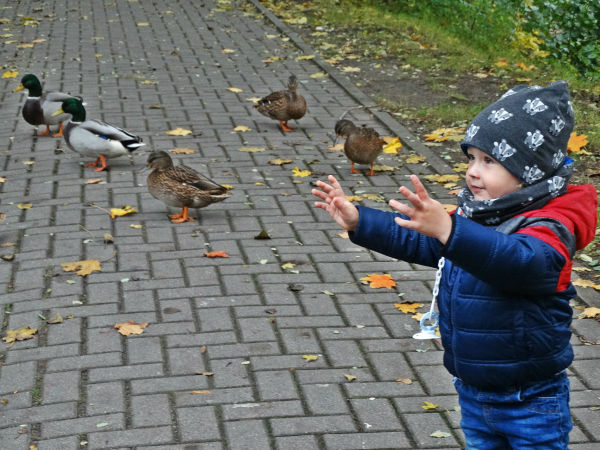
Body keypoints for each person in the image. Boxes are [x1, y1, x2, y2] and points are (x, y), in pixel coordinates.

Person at [312, 81, 597, 449]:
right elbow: (423, 240)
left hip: (530, 397)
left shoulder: (551, 223)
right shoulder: (481, 212)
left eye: (489, 161)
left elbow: (526, 264)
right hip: (474, 390)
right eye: (471, 158)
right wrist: (360, 222)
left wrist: (450, 229)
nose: (473, 172)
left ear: (530, 170)